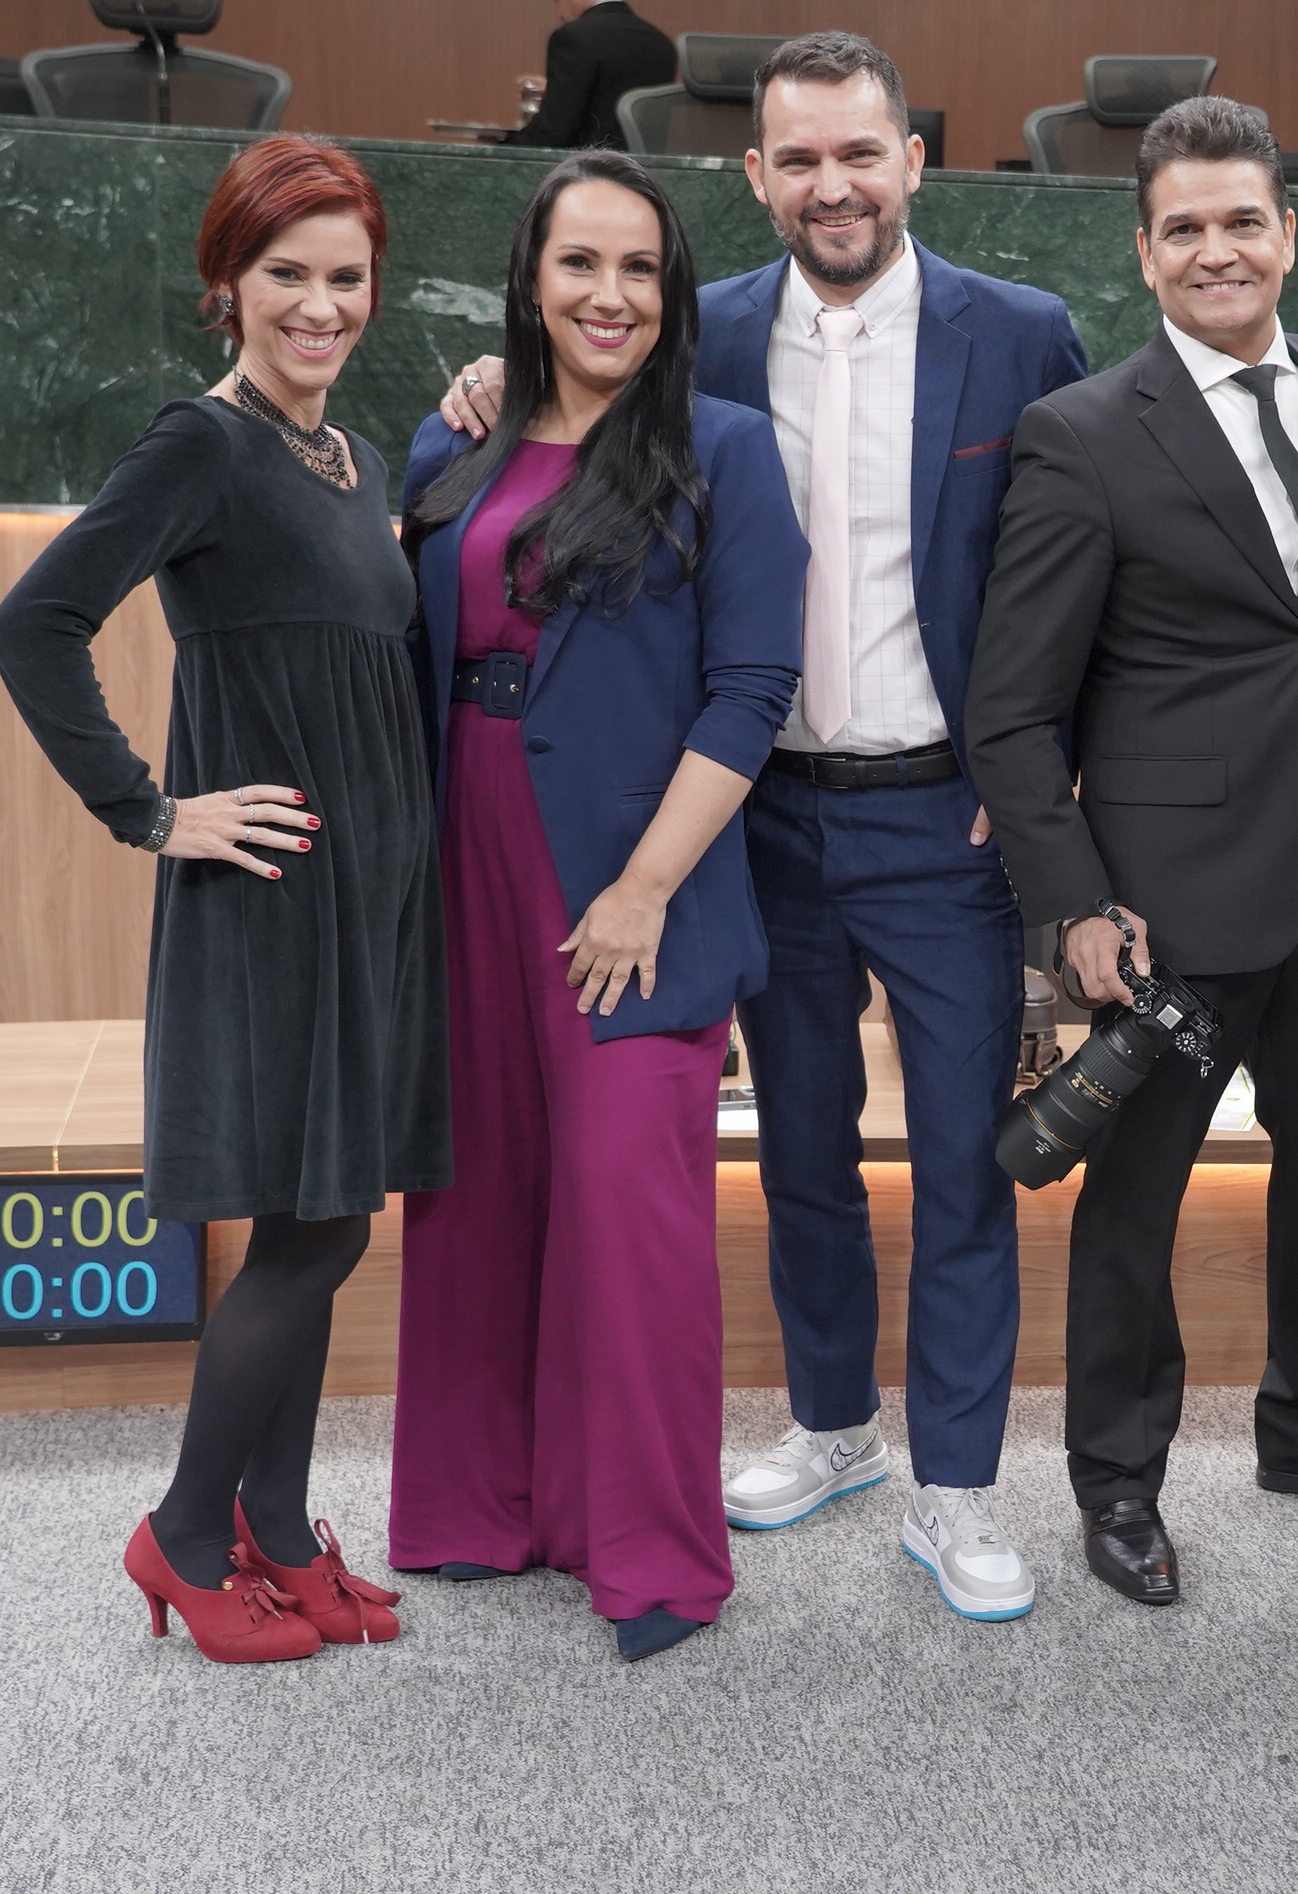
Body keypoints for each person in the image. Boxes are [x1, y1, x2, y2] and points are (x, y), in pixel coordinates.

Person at [438, 32, 1088, 1623]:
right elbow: (565, 419)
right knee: (800, 1149)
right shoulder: (701, 335)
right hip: (757, 814)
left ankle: (956, 1487)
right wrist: (484, 383)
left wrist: (1045, 784)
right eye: (798, 159)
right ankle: (834, 1422)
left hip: (949, 824)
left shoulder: (1023, 336)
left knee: (963, 1164)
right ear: (755, 177)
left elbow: (1084, 572)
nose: (832, 185)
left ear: (912, 161)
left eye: (860, 153)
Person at [0, 135, 444, 1665]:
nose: (320, 306)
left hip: (369, 900)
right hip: (277, 899)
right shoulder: (203, 443)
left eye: (345, 278)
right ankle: (184, 1533)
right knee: (309, 1237)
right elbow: (34, 623)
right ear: (228, 286)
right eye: (286, 275)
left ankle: (280, 1528)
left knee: (329, 1223)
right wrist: (151, 810)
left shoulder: (351, 457)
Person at [963, 96, 1298, 1609]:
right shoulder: (1084, 433)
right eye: (1183, 228)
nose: (1215, 250)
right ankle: (1116, 1478)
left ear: (1289, 233)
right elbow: (1009, 709)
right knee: (1134, 1206)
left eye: (1241, 220)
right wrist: (1075, 907)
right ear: (1142, 252)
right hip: (1160, 908)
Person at [387, 151, 808, 1663]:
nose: (609, 294)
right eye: (580, 263)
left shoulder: (724, 449)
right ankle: (475, 1506)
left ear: (673, 291)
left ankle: (649, 1549)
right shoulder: (456, 440)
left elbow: (752, 688)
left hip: (636, 882)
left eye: (639, 267)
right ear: (531, 277)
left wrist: (642, 890)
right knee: (475, 1193)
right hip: (464, 858)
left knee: (633, 1217)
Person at [499, 0, 675, 154]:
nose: (559, 13)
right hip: (641, 173)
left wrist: (499, 149)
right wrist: (556, 89)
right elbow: (611, 98)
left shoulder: (573, 38)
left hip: (590, 170)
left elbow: (553, 133)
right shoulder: (661, 44)